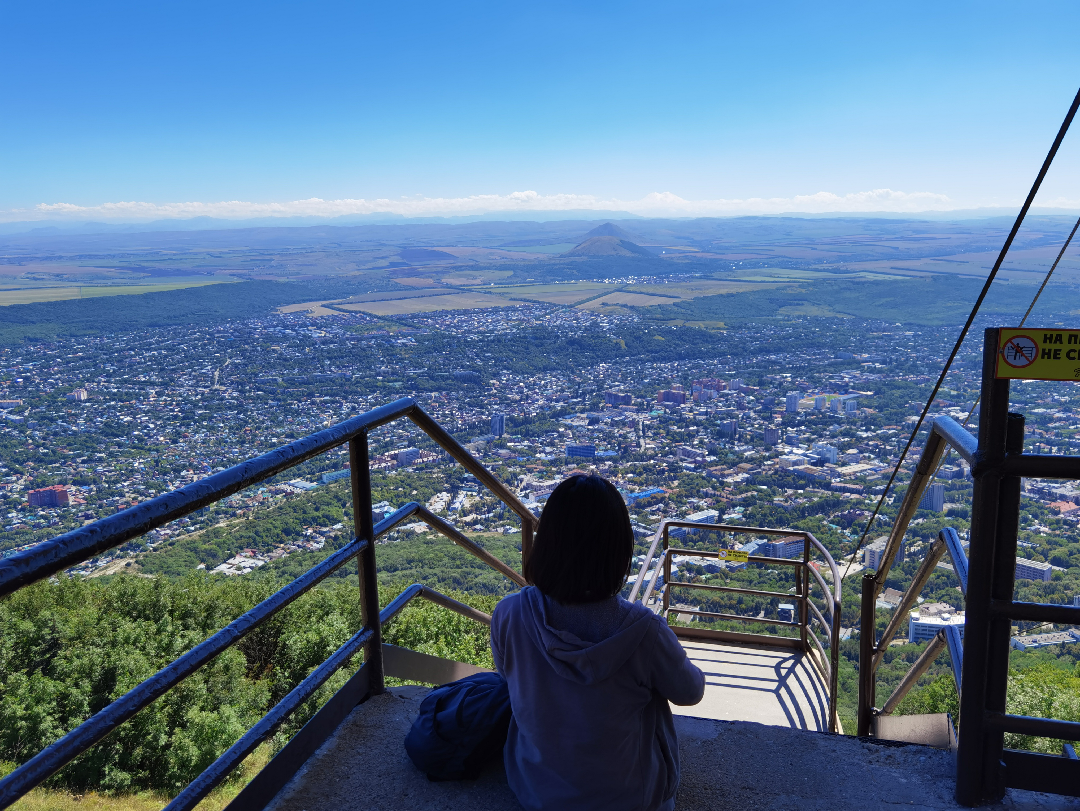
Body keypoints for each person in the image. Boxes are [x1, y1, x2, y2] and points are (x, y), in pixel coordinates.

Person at [490, 474, 705, 811]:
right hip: (632, 799)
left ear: (545, 544)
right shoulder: (644, 633)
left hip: (538, 791)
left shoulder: (511, 614)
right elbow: (691, 692)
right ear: (618, 552)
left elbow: (506, 677)